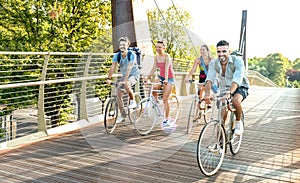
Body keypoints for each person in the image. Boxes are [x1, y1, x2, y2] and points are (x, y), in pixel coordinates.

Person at [203, 40, 250, 135]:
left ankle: (238, 122)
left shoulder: (238, 61)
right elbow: (209, 79)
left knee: (235, 101)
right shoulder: (214, 63)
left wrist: (229, 93)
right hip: (224, 88)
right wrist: (207, 94)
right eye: (219, 52)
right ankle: (220, 145)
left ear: (229, 51)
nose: (221, 54)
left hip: (240, 86)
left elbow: (237, 79)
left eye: (224, 51)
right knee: (221, 117)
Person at [107, 37, 140, 123]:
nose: (122, 46)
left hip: (133, 75)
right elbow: (113, 67)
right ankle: (123, 114)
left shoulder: (132, 54)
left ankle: (133, 101)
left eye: (124, 45)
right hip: (125, 75)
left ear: (128, 45)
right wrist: (108, 78)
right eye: (120, 45)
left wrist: (124, 81)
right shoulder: (116, 55)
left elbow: (129, 68)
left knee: (126, 84)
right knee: (118, 95)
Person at [147, 40, 175, 126]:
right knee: (154, 88)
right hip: (161, 77)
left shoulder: (167, 56)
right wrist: (148, 77)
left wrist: (166, 80)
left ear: (164, 48)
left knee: (165, 99)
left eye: (159, 47)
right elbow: (154, 68)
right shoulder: (156, 57)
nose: (157, 48)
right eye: (156, 47)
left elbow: (166, 69)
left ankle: (166, 119)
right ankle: (156, 103)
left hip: (169, 78)